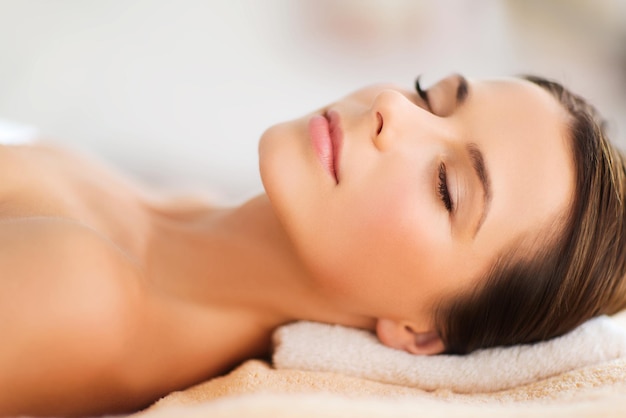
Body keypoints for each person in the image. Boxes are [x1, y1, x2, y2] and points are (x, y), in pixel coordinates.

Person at [1, 73, 625, 417]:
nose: (391, 110)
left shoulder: (88, 299)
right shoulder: (181, 206)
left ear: (420, 335)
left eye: (446, 187)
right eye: (429, 96)